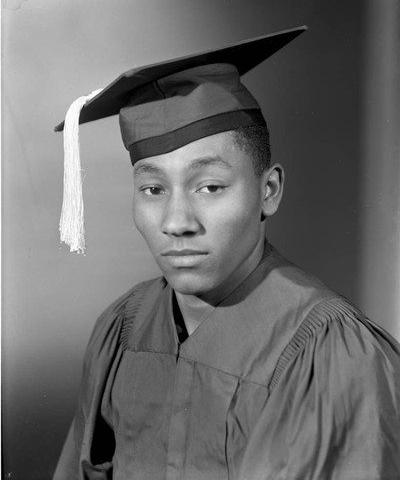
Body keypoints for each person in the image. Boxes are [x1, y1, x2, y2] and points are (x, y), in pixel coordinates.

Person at [53, 27, 400, 480]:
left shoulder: (334, 354)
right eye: (153, 188)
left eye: (210, 187)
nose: (177, 221)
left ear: (268, 190)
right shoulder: (123, 329)